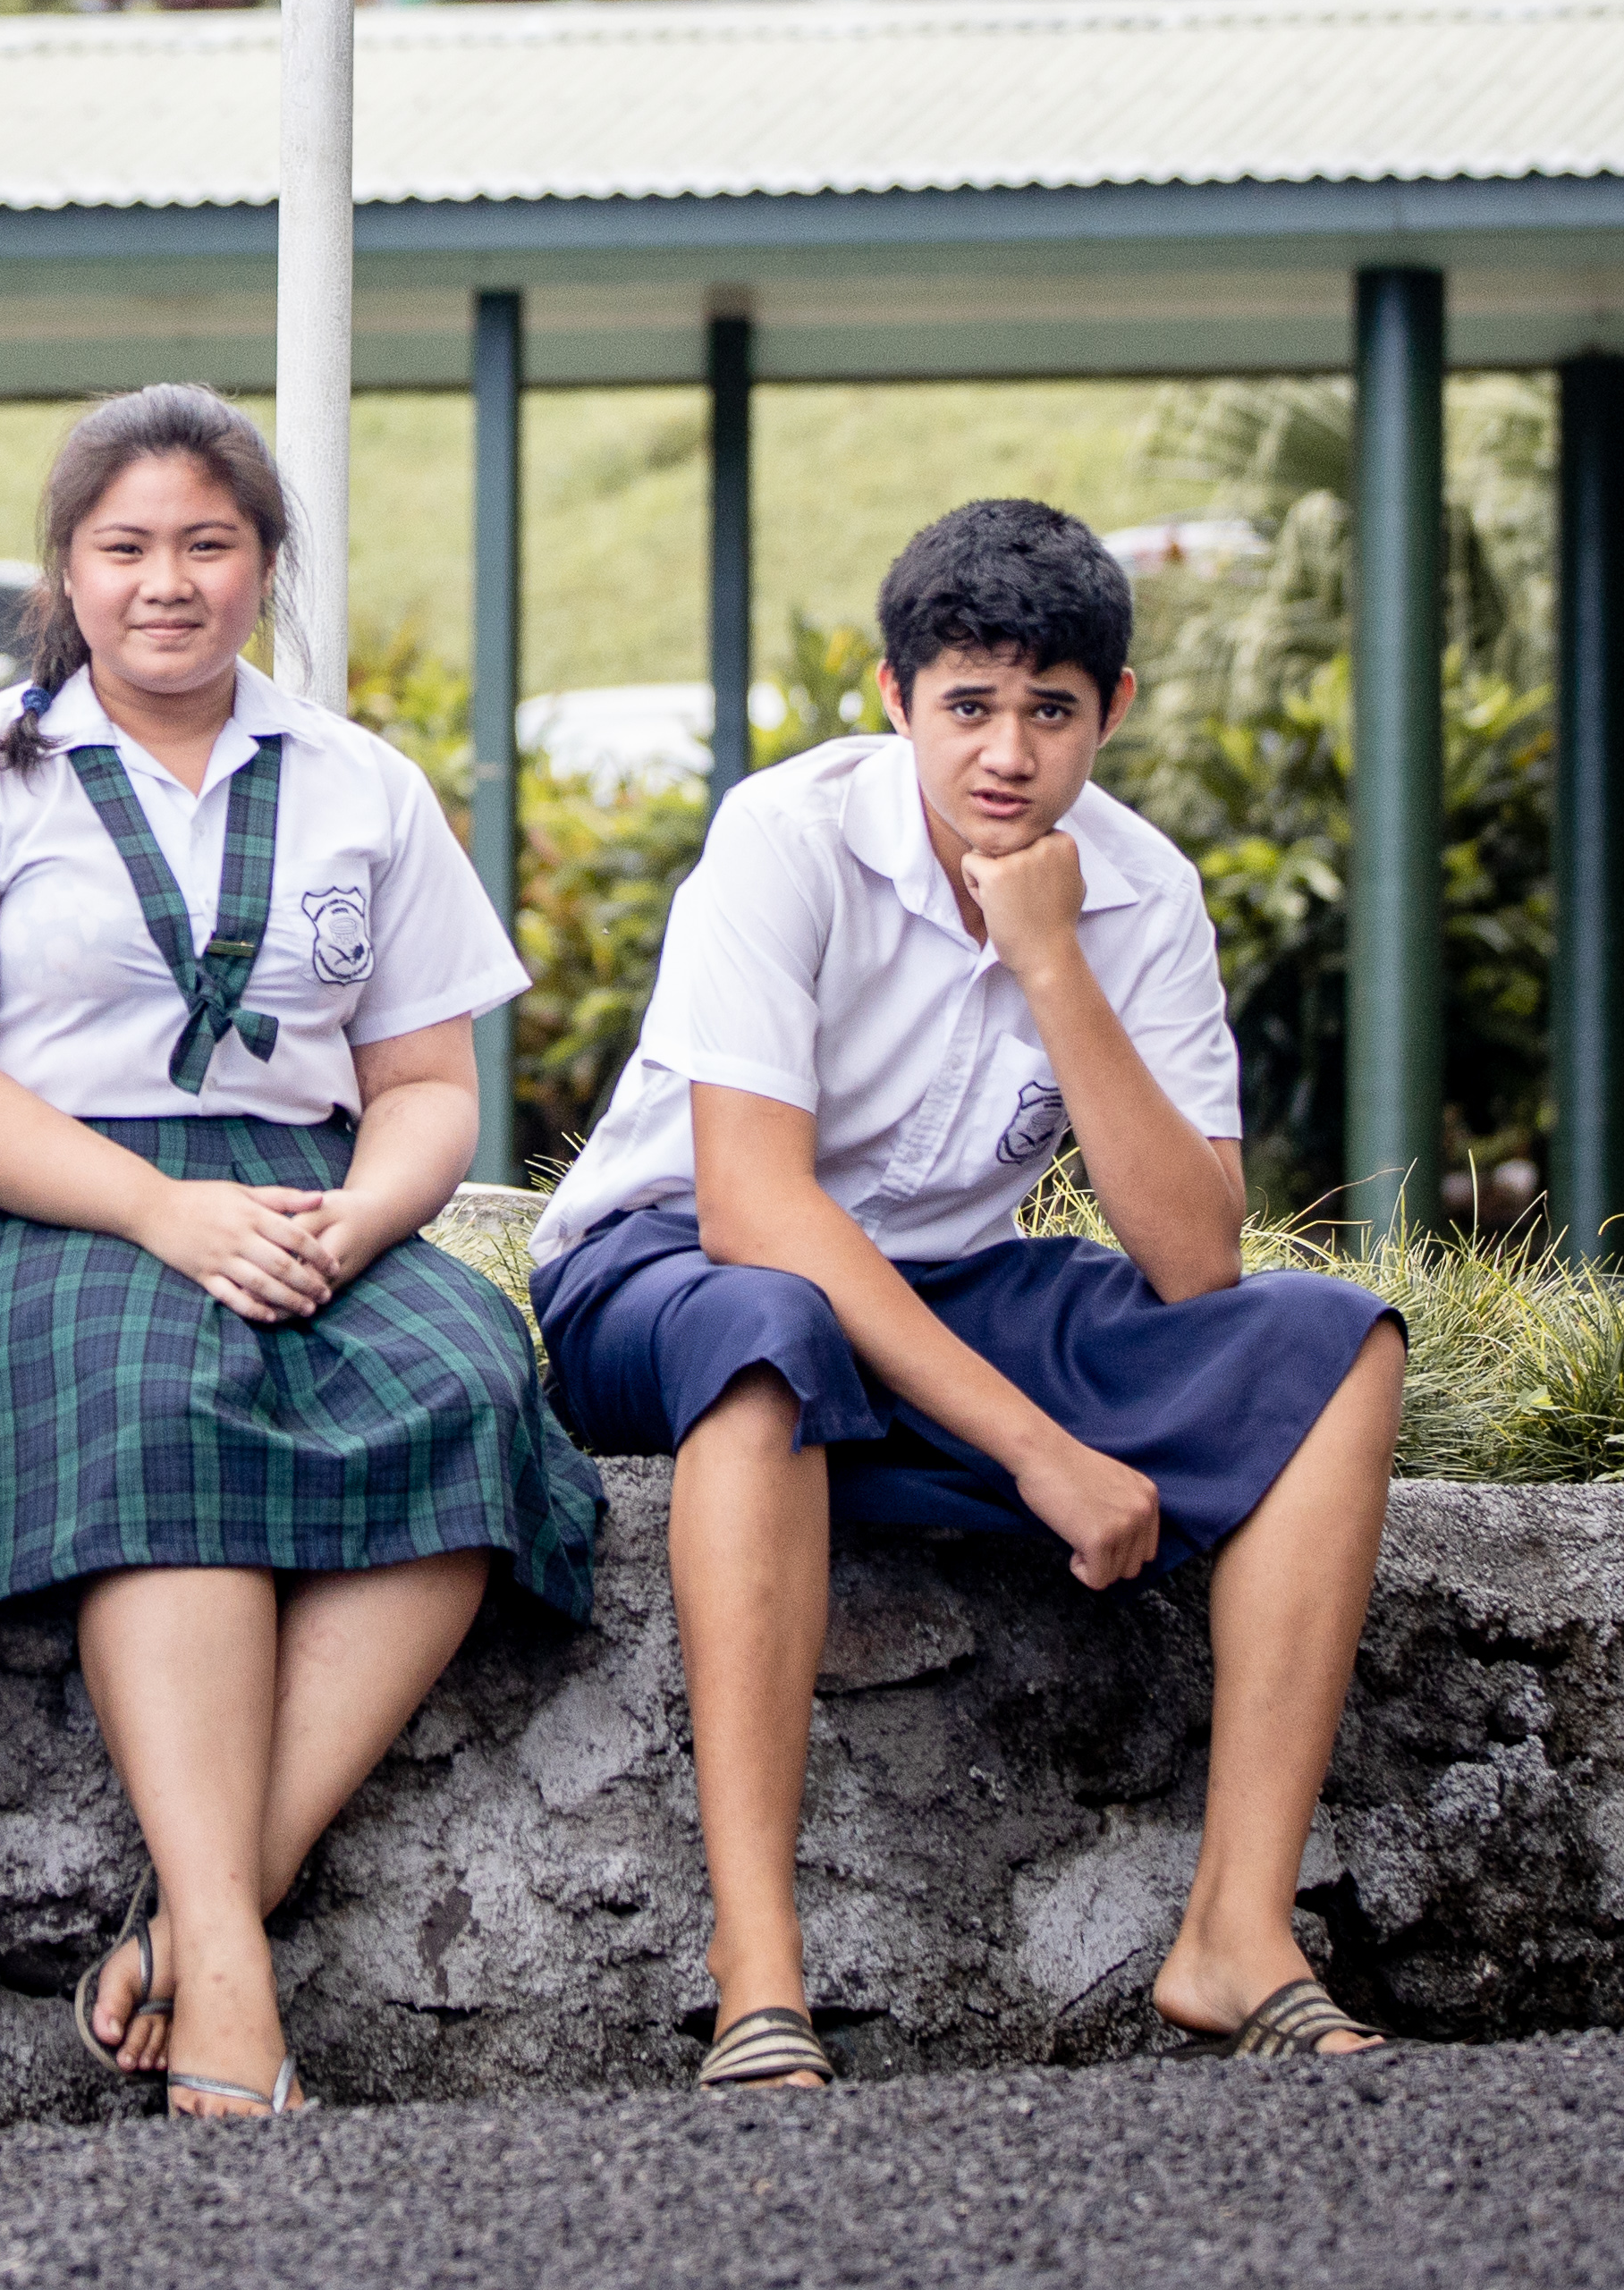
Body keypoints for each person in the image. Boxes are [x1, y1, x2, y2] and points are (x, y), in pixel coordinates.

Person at [526, 499, 1409, 2088]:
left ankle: (1236, 1932)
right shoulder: (785, 839)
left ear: (1112, 713)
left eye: (1051, 711)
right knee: (771, 1328)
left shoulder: (1138, 890)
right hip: (666, 1275)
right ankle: (758, 1973)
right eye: (970, 706)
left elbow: (1195, 1258)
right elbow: (756, 1205)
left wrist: (1055, 961)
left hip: (945, 1291)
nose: (1008, 752)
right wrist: (1039, 1450)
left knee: (1328, 1342)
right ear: (894, 695)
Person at [0, 384, 599, 2125]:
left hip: (305, 1197)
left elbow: (423, 1086)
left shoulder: (358, 786)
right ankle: (235, 1985)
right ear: (67, 567)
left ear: (263, 563)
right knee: (155, 1385)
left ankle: (194, 1913)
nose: (164, 583)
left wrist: (361, 1217)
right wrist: (153, 1208)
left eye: (206, 543)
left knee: (468, 1386)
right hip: (51, 1192)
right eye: (124, 547)